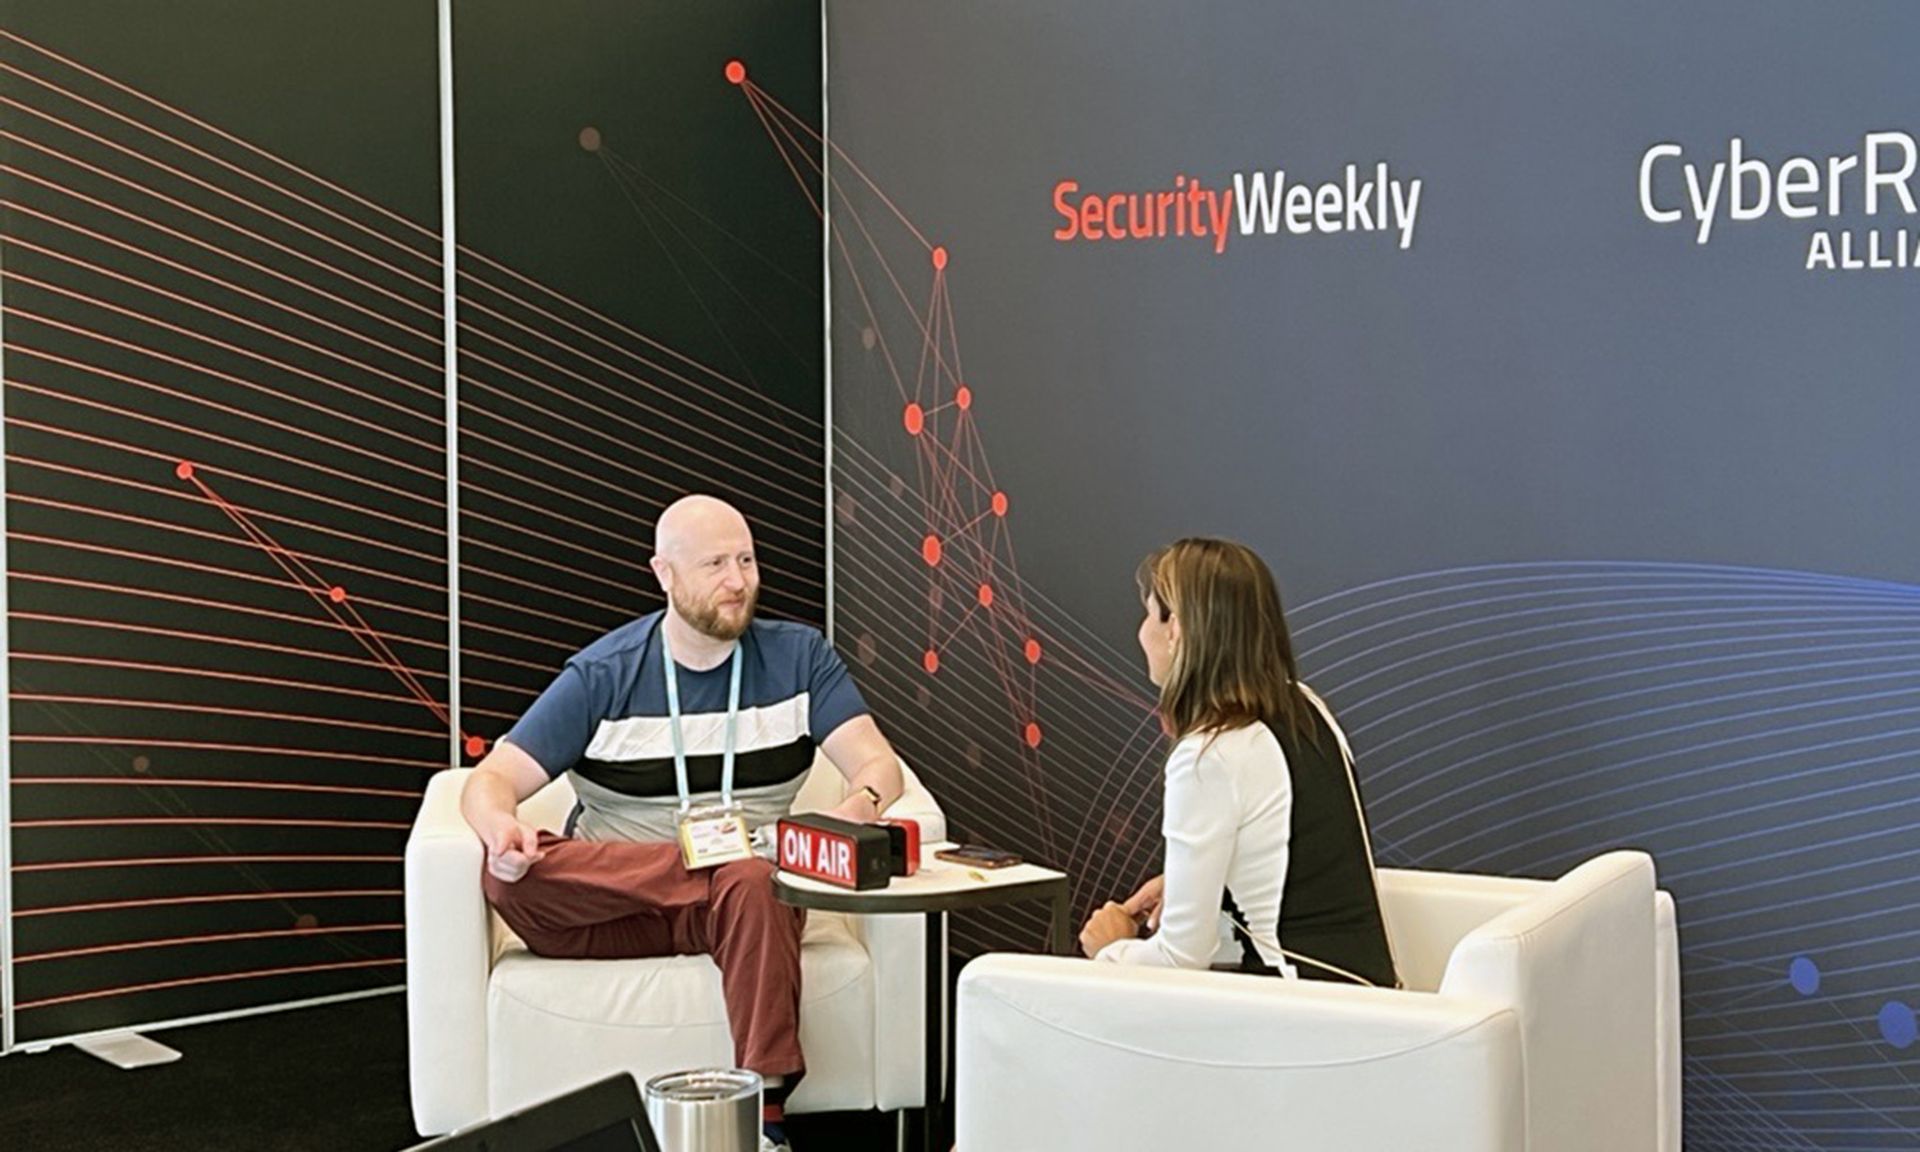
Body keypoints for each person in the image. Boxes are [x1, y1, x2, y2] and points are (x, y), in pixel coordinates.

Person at [461, 494, 905, 1152]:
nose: (738, 581)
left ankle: (766, 1122)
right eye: (715, 565)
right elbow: (491, 779)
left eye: (748, 561)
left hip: (741, 914)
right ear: (664, 574)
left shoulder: (799, 658)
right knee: (510, 879)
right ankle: (719, 870)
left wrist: (860, 802)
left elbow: (878, 763)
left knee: (758, 885)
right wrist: (500, 825)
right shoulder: (603, 674)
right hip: (615, 911)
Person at [1077, 538, 1398, 988]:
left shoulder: (1209, 755)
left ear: (1177, 630)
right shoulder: (1306, 707)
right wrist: (1191, 881)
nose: (1141, 633)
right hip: (1371, 997)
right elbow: (1290, 862)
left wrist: (1110, 948)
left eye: (1150, 614)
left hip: (1301, 1021)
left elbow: (1179, 960)